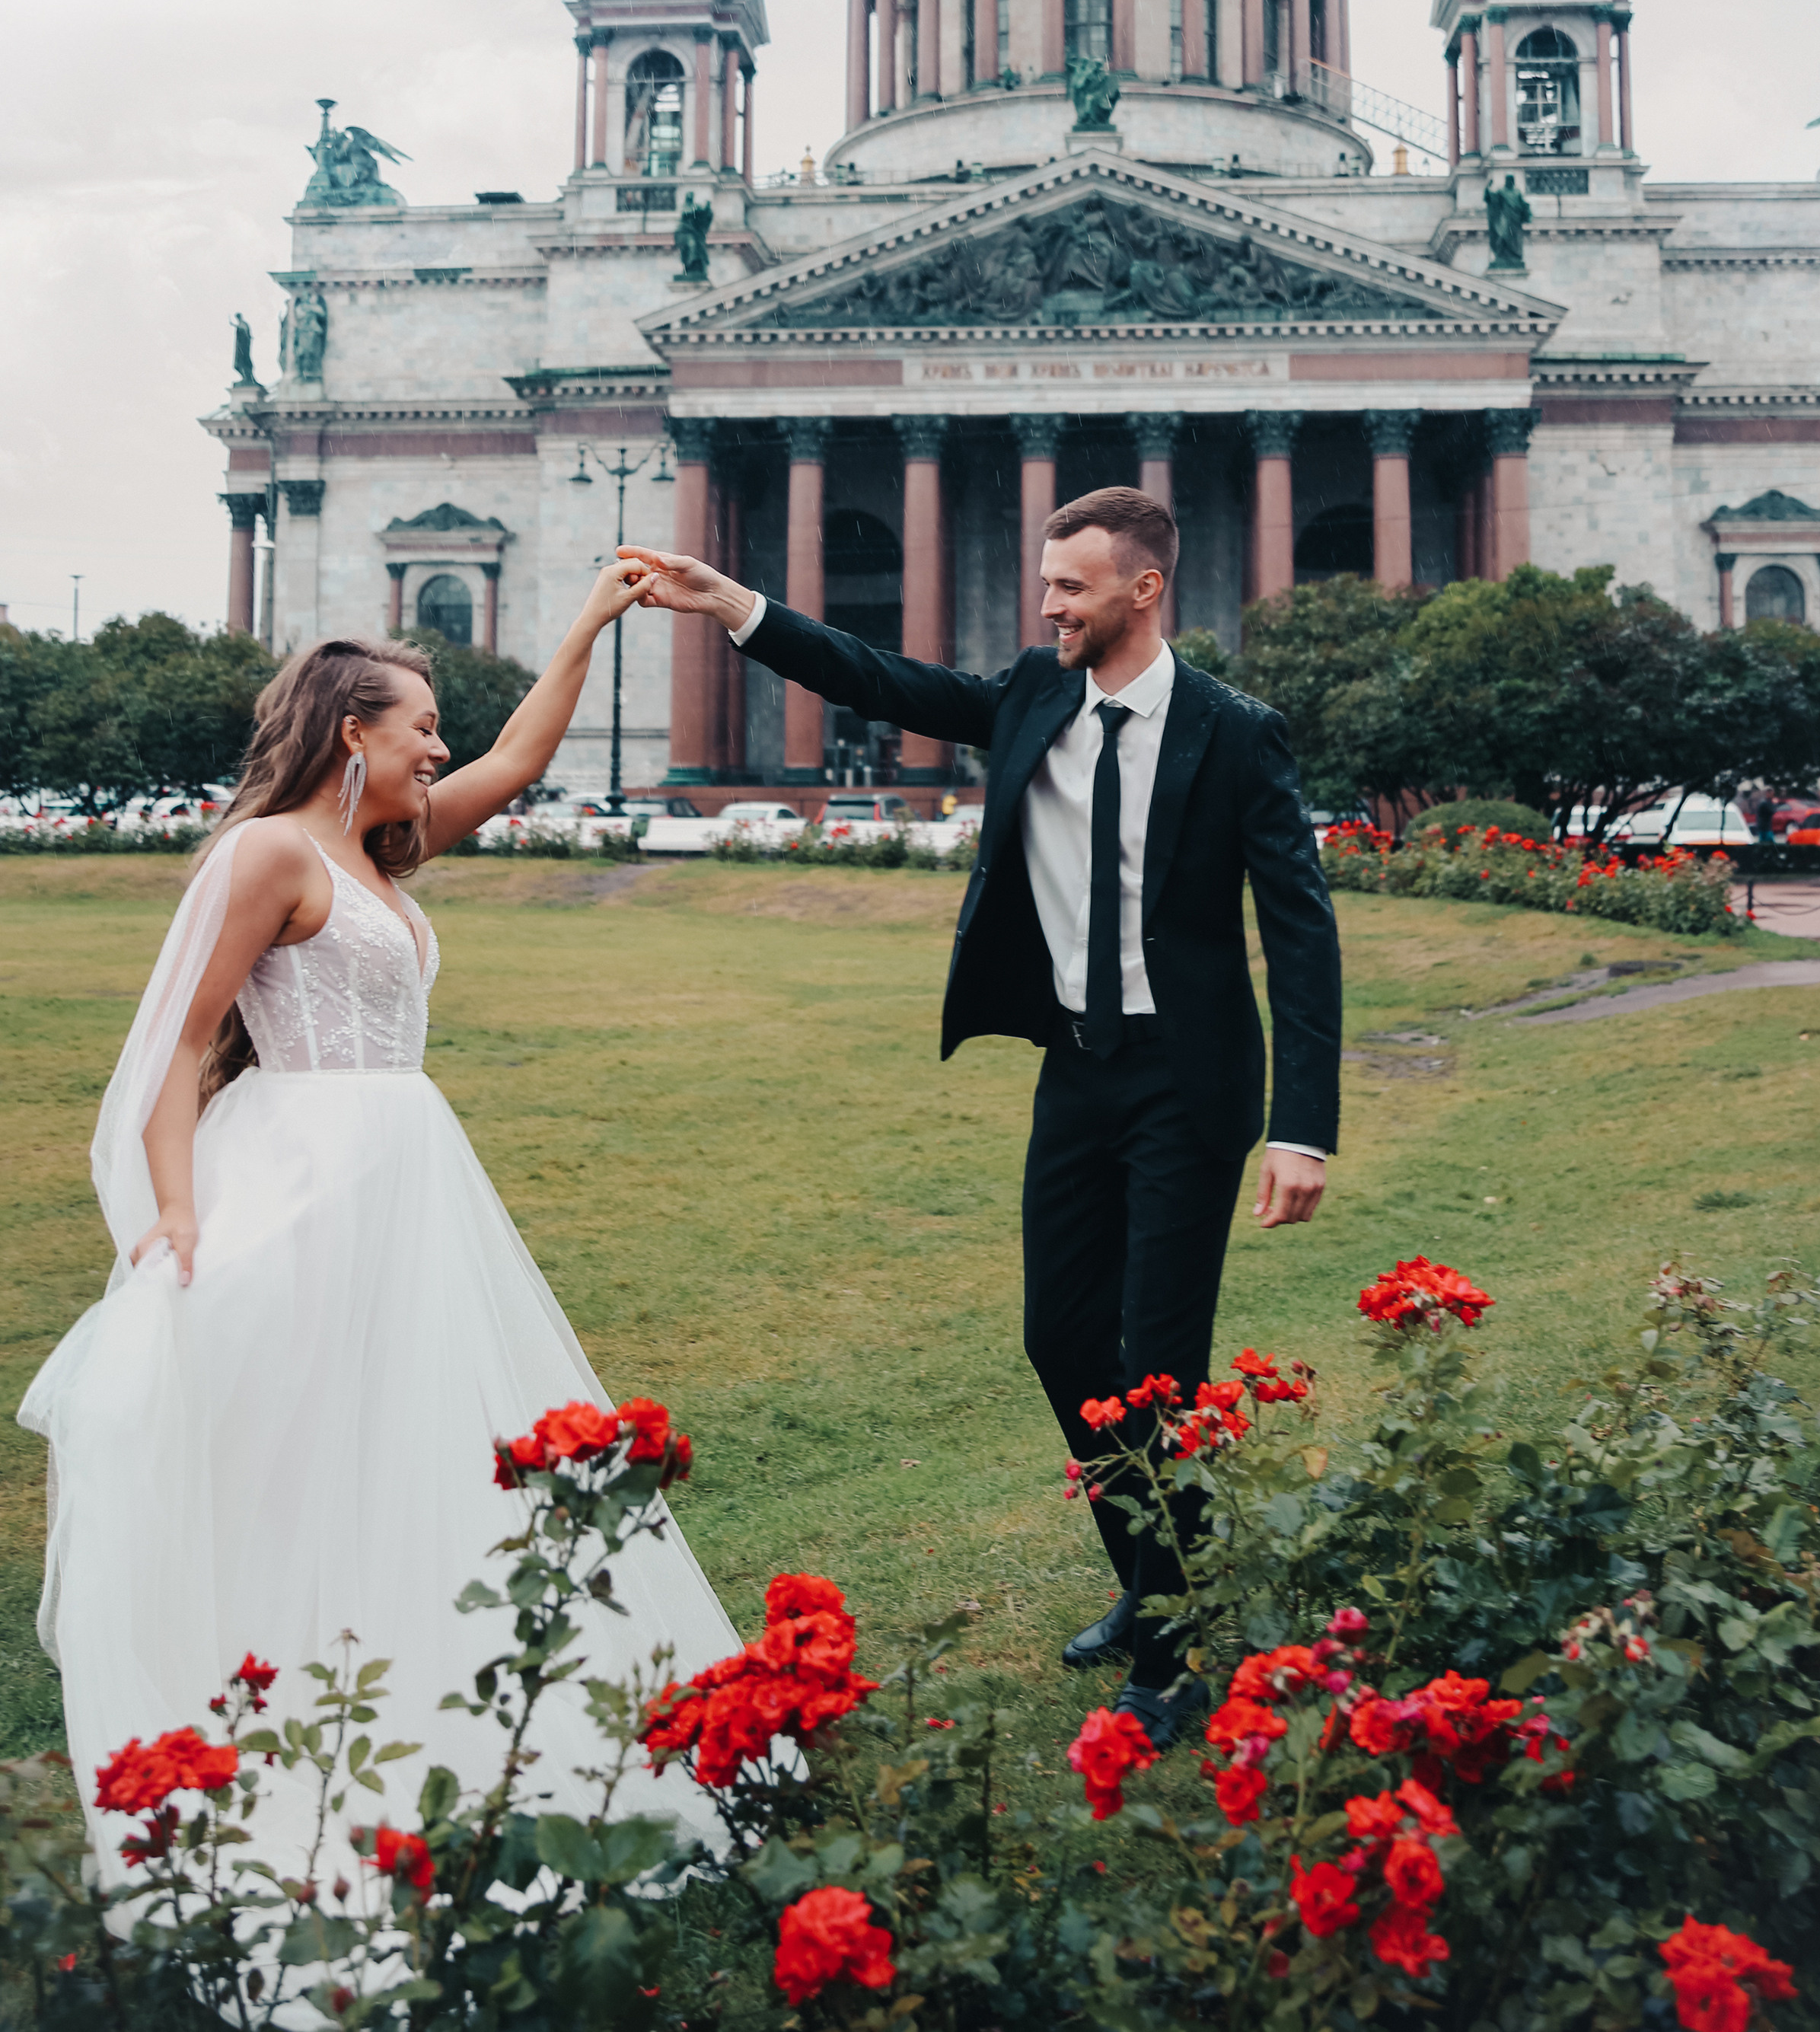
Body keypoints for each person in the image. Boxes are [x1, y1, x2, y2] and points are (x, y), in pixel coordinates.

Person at [20, 566, 738, 1887]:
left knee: (416, 1432)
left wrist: (589, 621)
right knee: (297, 1442)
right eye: (420, 726)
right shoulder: (270, 852)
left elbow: (520, 757)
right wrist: (172, 1211)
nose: (440, 748)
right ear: (354, 731)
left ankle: (420, 1687)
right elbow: (179, 1047)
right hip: (300, 1172)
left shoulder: (382, 854)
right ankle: (283, 1700)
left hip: (407, 1172)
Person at [622, 485, 1340, 1748]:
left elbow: (1302, 932)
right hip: (1076, 1068)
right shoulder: (1034, 694)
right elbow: (886, 680)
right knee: (1061, 1340)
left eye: (1071, 586)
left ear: (1144, 591)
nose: (1048, 604)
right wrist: (734, 606)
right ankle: (1154, 1567)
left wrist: (1305, 1123)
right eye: (1047, 582)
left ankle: (1170, 1655)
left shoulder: (1236, 734)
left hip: (1193, 1083)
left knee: (1157, 1367)